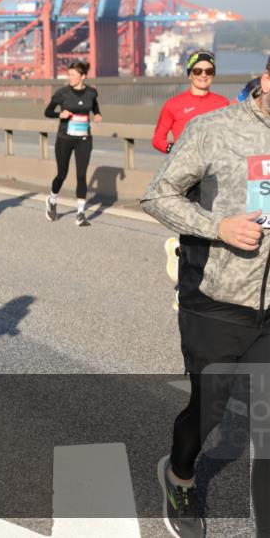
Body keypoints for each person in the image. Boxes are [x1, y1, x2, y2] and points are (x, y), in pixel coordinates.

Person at [140, 55, 269, 538]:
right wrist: (219, 227)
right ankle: (179, 475)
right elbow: (158, 195)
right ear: (267, 80)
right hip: (216, 298)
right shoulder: (215, 128)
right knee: (209, 409)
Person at [151, 51, 230, 308]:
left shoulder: (223, 103)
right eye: (198, 71)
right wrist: (174, 151)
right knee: (194, 234)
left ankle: (180, 253)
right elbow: (158, 139)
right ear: (190, 73)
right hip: (188, 176)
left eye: (209, 71)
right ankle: (184, 292)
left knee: (212, 233)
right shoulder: (174, 105)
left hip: (216, 176)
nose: (204, 75)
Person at [43, 61, 102, 227]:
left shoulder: (91, 92)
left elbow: (95, 108)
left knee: (81, 175)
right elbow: (47, 112)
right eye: (69, 74)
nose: (70, 78)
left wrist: (97, 115)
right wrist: (60, 115)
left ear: (83, 76)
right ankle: (52, 199)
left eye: (73, 75)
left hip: (84, 138)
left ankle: (80, 214)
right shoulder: (62, 93)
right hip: (65, 138)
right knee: (62, 174)